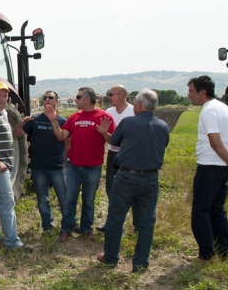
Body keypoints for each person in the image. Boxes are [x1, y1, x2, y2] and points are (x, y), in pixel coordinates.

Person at [96, 89, 169, 273]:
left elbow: (114, 143)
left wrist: (105, 133)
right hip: (152, 178)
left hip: (127, 176)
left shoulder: (128, 122)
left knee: (116, 218)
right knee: (146, 222)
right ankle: (141, 263)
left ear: (137, 104)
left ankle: (111, 258)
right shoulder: (163, 126)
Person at [45, 87, 115, 242]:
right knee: (70, 199)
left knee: (89, 201)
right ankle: (66, 228)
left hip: (93, 167)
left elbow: (113, 141)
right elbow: (61, 136)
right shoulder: (74, 117)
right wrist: (53, 121)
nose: (75, 99)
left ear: (87, 99)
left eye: (78, 97)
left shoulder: (104, 117)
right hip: (74, 167)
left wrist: (105, 133)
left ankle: (86, 229)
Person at [186, 75, 228, 261]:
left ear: (203, 92)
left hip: (210, 168)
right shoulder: (225, 108)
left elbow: (216, 142)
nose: (188, 95)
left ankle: (206, 254)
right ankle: (226, 250)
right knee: (217, 210)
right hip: (222, 170)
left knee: (200, 212)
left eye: (191, 91)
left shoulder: (209, 111)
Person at [0, 81, 32, 252]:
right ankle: (13, 243)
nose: (3, 98)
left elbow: (12, 136)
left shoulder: (1, 113)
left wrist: (19, 125)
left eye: (5, 95)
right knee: (7, 203)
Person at [21, 90, 70, 233]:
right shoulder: (34, 120)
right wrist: (21, 122)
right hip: (38, 168)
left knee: (64, 199)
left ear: (57, 102)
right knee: (43, 200)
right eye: (45, 98)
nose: (48, 100)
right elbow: (17, 134)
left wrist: (66, 163)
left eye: (51, 98)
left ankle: (68, 225)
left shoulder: (63, 121)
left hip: (57, 167)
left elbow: (66, 142)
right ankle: (47, 226)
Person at [96, 85, 135, 233]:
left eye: (111, 94)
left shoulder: (133, 112)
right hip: (113, 156)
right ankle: (112, 223)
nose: (108, 97)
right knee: (110, 190)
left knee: (133, 191)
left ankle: (137, 225)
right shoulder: (108, 112)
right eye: (108, 94)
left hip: (129, 157)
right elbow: (107, 138)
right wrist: (105, 134)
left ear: (122, 95)